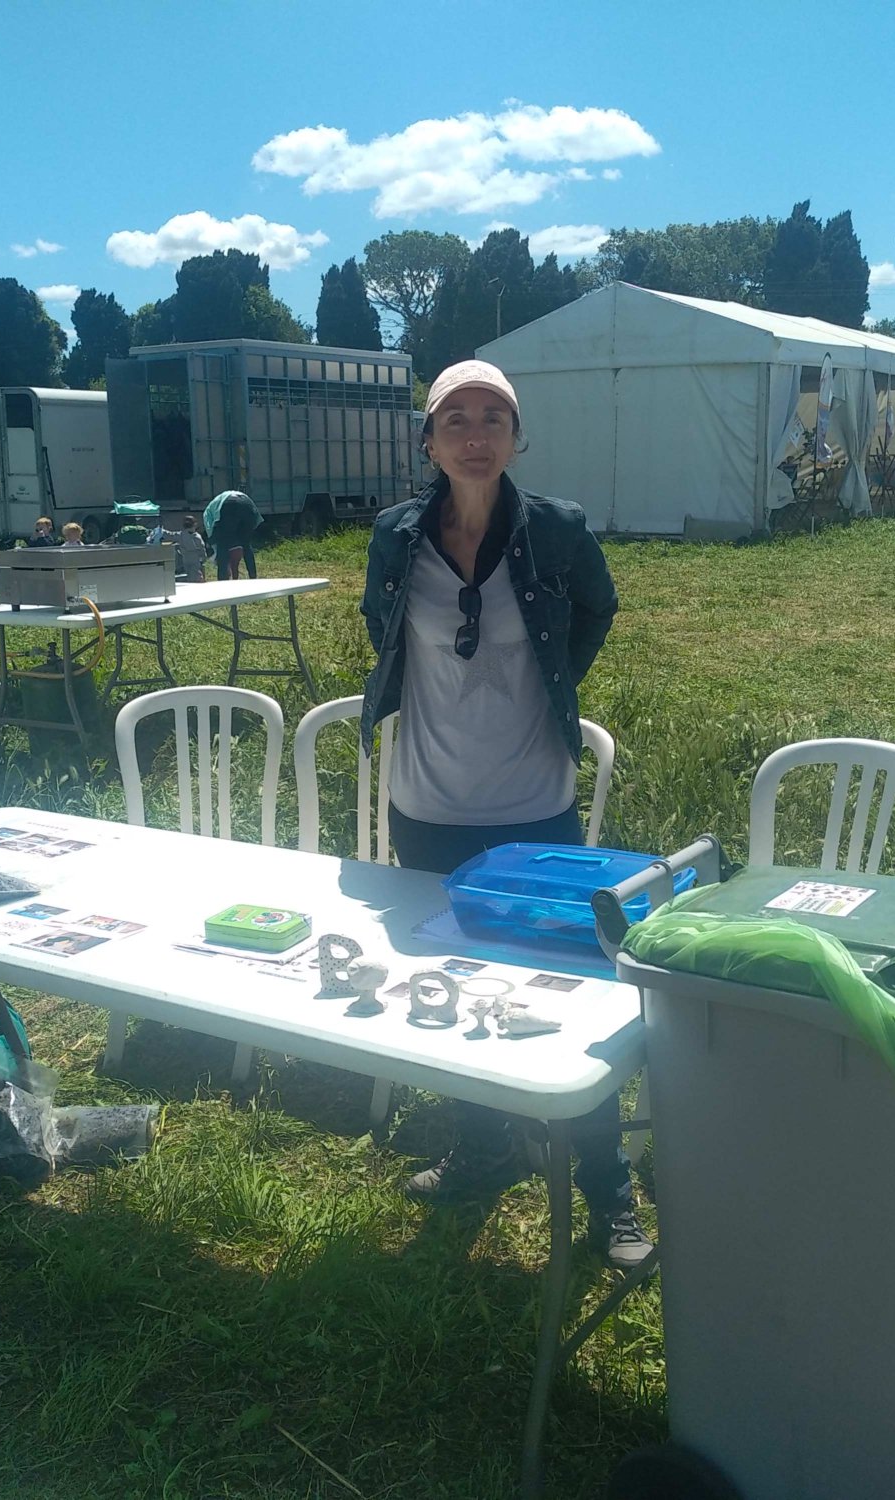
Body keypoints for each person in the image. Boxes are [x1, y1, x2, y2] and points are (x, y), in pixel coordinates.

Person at [359, 358, 648, 1272]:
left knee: (569, 995)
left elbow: (598, 609)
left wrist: (548, 690)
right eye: (456, 419)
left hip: (533, 806)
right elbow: (383, 626)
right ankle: (480, 1147)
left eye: (494, 418)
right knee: (442, 982)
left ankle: (610, 1190)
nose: (475, 435)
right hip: (427, 806)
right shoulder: (395, 535)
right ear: (429, 439)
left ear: (517, 436)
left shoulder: (555, 531)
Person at [206, 490, 261, 580]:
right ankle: (253, 576)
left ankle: (223, 579)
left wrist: (211, 541)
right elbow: (256, 518)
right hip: (247, 504)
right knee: (246, 544)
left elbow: (211, 529)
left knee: (222, 545)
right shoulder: (215, 504)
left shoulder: (208, 512)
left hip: (228, 504)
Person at [152, 512, 208, 581]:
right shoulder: (197, 537)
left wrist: (162, 531)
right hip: (195, 558)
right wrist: (204, 557)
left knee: (189, 573)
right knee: (195, 573)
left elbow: (171, 535)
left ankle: (193, 581)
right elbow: (202, 548)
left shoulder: (181, 535)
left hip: (185, 558)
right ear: (195, 525)